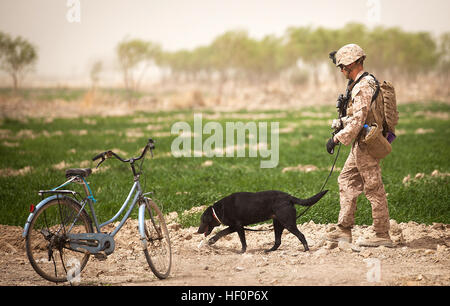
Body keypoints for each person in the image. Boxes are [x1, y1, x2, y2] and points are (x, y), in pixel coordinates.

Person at [325, 44, 393, 247]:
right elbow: (355, 117)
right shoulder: (359, 83)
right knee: (346, 180)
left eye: (342, 66)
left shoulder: (363, 86)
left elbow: (358, 120)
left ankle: (382, 234)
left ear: (352, 63)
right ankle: (343, 230)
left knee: (373, 187)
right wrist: (340, 125)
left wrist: (336, 139)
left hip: (367, 144)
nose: (341, 70)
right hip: (360, 143)